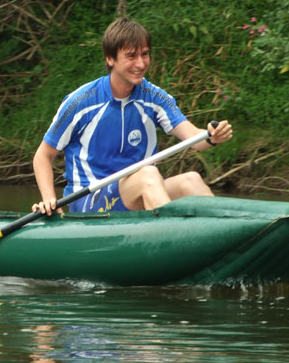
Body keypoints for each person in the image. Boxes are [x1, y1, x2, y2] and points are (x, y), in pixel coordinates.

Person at [32, 17, 232, 215]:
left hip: (140, 190)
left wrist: (212, 136)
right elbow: (43, 156)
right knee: (148, 175)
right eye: (131, 56)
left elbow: (195, 138)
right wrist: (50, 200)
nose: (140, 63)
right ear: (110, 58)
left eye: (145, 54)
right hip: (89, 203)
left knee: (192, 180)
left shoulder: (154, 97)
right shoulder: (80, 102)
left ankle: (227, 234)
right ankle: (170, 237)